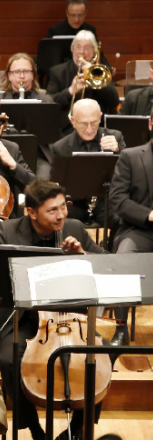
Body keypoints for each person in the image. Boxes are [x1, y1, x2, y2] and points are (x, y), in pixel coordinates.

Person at [0, 179, 106, 440]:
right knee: (8, 360)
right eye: (52, 210)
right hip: (25, 318)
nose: (61, 215)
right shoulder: (9, 231)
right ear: (31, 212)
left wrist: (81, 255)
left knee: (101, 356)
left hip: (71, 317)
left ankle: (76, 428)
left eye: (62, 207)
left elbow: (106, 266)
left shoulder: (75, 226)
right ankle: (33, 428)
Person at [109, 109, 153, 345]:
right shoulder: (131, 156)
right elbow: (118, 200)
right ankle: (121, 328)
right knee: (125, 255)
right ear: (150, 124)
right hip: (140, 230)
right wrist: (149, 215)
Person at [52, 98, 125, 226]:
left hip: (105, 201)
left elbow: (128, 171)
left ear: (100, 117)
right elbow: (59, 185)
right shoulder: (60, 147)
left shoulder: (115, 137)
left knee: (121, 220)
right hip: (75, 204)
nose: (90, 129)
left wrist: (118, 151)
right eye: (83, 124)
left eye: (94, 122)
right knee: (62, 221)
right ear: (73, 121)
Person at [46, 30, 119, 136]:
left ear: (94, 52)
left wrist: (95, 77)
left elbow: (114, 101)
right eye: (78, 47)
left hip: (98, 129)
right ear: (72, 50)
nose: (81, 52)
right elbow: (49, 103)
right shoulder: (58, 71)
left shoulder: (102, 70)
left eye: (87, 48)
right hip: (66, 129)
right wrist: (70, 91)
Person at [1, 53, 55, 179]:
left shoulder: (46, 100)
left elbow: (52, 134)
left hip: (38, 155)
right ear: (9, 75)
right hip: (7, 153)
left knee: (43, 182)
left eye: (26, 71)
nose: (22, 76)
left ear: (33, 75)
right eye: (17, 72)